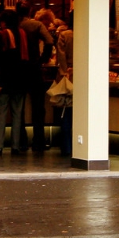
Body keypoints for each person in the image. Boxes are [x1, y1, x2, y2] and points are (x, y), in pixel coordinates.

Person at [0, 9, 28, 156]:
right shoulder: (23, 34)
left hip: (5, 79)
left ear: (4, 22)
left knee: (2, 113)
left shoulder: (3, 35)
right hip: (21, 79)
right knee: (17, 114)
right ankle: (15, 146)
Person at [17, 0, 54, 153]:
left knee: (18, 108)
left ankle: (20, 141)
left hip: (18, 70)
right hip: (34, 68)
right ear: (30, 10)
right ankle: (38, 141)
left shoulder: (14, 26)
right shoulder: (36, 25)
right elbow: (49, 41)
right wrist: (43, 59)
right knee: (38, 107)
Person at [55, 11, 73, 156]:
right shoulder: (89, 33)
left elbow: (61, 57)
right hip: (85, 77)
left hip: (68, 76)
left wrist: (65, 73)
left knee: (66, 112)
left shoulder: (65, 35)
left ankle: (67, 147)